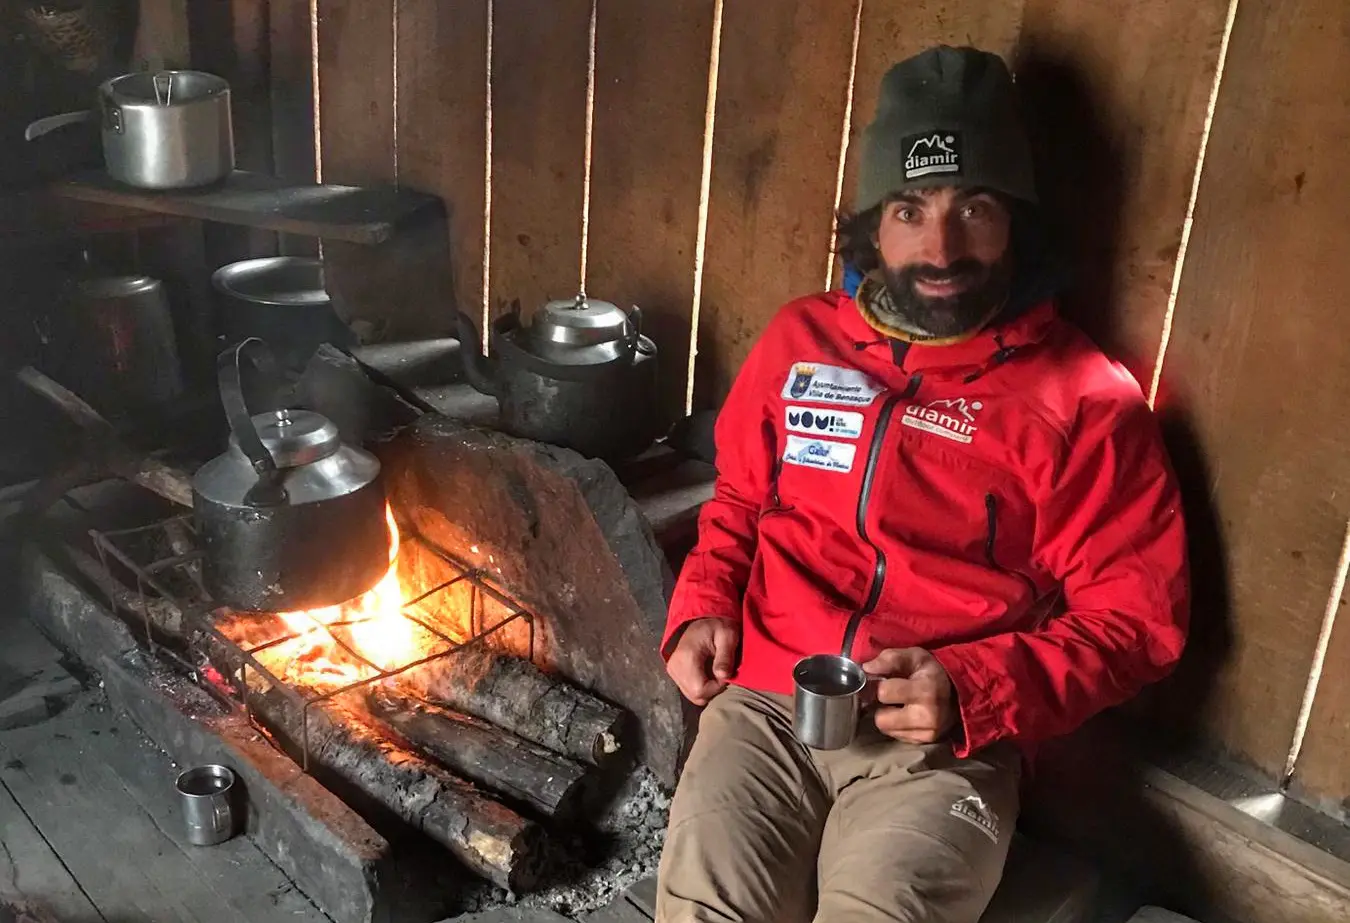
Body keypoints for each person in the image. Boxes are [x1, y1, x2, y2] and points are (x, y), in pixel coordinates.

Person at [655, 45, 1189, 923]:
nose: (942, 248)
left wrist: (976, 688)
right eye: (910, 210)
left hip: (944, 744)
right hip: (766, 705)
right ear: (874, 226)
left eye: (974, 208)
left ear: (1016, 222)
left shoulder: (1085, 402)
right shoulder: (799, 343)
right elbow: (741, 502)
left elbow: (1136, 621)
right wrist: (705, 602)